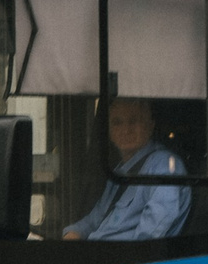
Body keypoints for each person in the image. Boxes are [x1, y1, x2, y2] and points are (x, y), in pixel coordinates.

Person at [64, 97, 191, 241]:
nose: (125, 130)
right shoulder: (118, 172)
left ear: (150, 126)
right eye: (117, 123)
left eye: (133, 121)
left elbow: (153, 233)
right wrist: (73, 233)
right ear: (109, 131)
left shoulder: (164, 165)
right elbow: (95, 219)